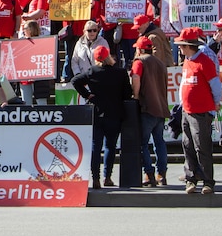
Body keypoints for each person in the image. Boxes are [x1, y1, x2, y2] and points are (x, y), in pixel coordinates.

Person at [71, 45, 131, 189]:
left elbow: (75, 81)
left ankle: (95, 178)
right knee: (110, 146)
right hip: (115, 113)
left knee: (95, 147)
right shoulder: (120, 73)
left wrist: (87, 95)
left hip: (97, 112)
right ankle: (107, 177)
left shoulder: (92, 71)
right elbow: (127, 94)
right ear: (109, 56)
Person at [175, 27, 221, 194]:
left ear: (188, 46)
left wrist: (215, 104)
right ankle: (191, 179)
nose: (179, 49)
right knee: (187, 145)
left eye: (181, 46)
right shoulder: (188, 61)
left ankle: (208, 181)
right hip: (187, 111)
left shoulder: (204, 62)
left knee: (202, 146)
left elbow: (215, 85)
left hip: (201, 111)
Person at [130, 36, 170, 187]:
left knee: (143, 143)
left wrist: (135, 95)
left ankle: (149, 174)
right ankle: (162, 174)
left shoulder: (139, 62)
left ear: (139, 49)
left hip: (147, 107)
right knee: (159, 142)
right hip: (161, 107)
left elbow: (136, 78)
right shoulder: (160, 63)